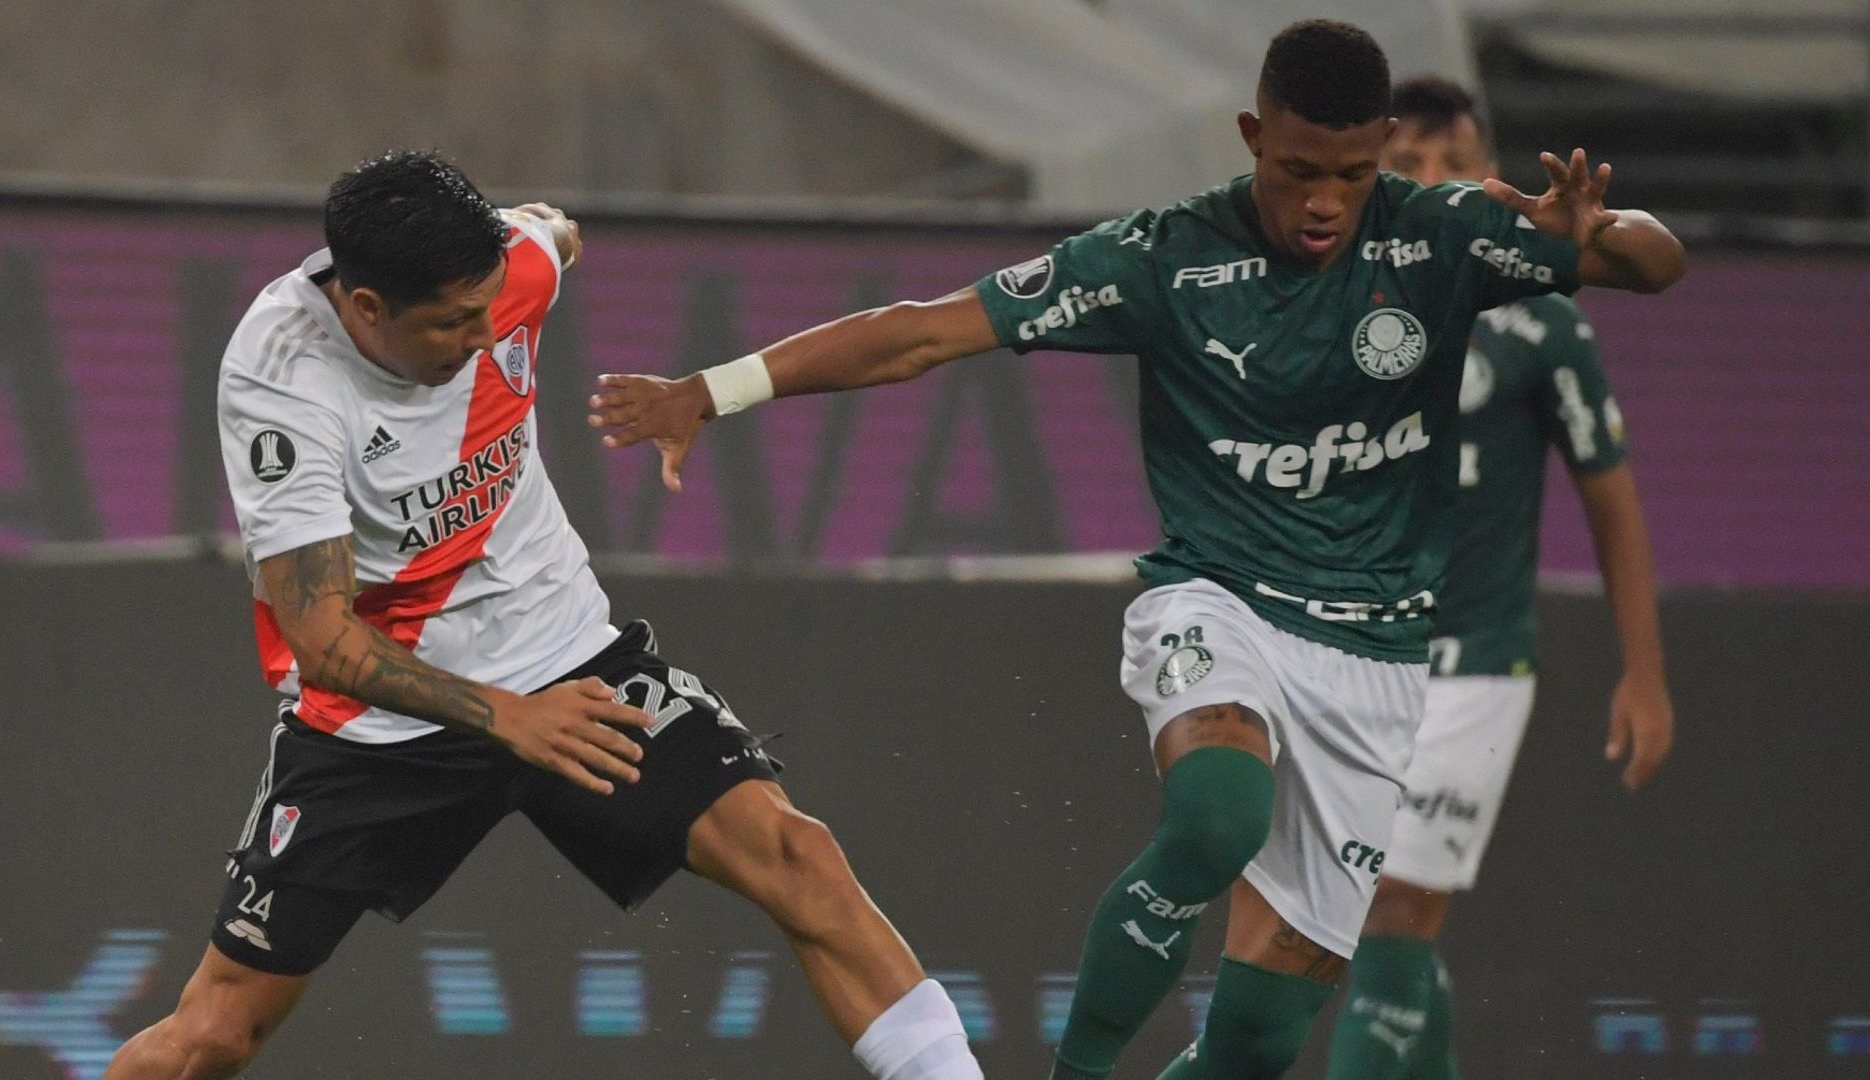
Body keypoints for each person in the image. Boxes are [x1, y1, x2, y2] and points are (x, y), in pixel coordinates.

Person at [590, 20, 1685, 1079]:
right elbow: (923, 331)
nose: (1323, 203)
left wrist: (1595, 230)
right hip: (1222, 601)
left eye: (1350, 176)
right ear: (1254, 136)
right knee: (1217, 815)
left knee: (1260, 1039)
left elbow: (1657, 268)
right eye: (1300, 168)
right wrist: (710, 390)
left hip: (1381, 654)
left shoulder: (1438, 234)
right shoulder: (1161, 257)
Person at [103, 150, 983, 1080]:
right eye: (451, 321)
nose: (487, 335)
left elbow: (554, 231)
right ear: (367, 310)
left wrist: (550, 236)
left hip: (567, 658)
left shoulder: (511, 266)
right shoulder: (281, 387)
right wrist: (508, 717)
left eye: (491, 307)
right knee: (215, 1035)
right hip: (380, 721)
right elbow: (321, 643)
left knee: (797, 856)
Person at [1321, 75, 1677, 1080]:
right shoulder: (1321, 297)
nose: (1432, 181)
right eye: (1407, 164)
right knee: (1354, 923)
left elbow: (1612, 500)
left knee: (1396, 904)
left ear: (1487, 172)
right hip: (1346, 651)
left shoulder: (1541, 320)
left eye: (1452, 161)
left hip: (1473, 663)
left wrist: (1642, 675)